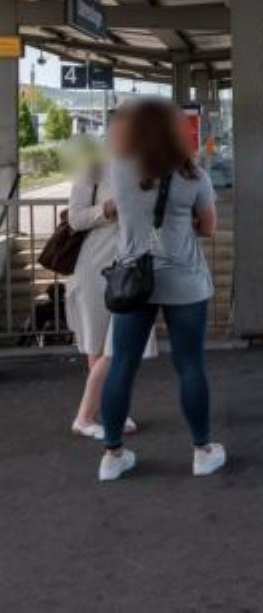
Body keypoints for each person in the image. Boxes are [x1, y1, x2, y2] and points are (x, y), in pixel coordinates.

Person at [98, 99, 224, 483]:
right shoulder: (194, 175)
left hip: (133, 280)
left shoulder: (120, 168)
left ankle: (113, 456)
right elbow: (209, 228)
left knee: (122, 364)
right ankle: (202, 451)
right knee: (190, 366)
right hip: (184, 281)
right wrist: (181, 220)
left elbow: (119, 209)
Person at [67, 113, 153, 439]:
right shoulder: (93, 167)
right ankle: (96, 414)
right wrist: (106, 209)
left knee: (116, 344)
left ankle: (110, 410)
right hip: (95, 263)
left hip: (128, 263)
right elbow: (75, 218)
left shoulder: (142, 166)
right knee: (99, 342)